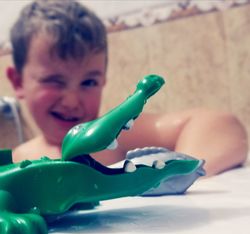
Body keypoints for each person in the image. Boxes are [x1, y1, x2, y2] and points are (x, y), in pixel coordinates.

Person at [7, 0, 248, 176]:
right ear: (18, 82)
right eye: (54, 81)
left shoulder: (116, 137)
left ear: (103, 80)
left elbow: (219, 124)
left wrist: (180, 176)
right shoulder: (19, 159)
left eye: (88, 82)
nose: (72, 101)